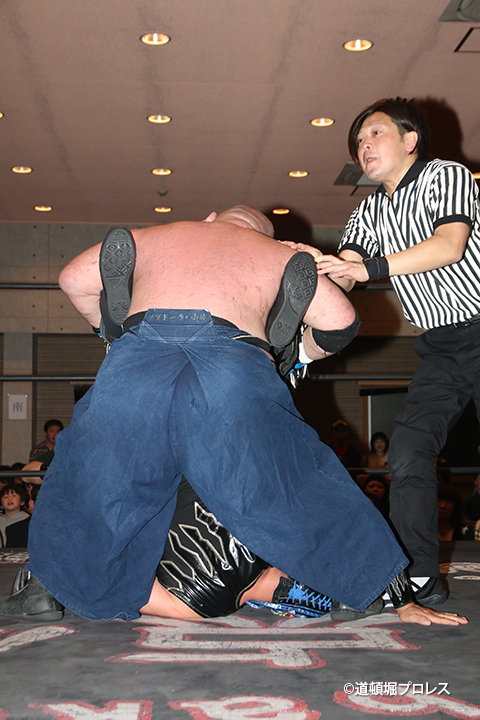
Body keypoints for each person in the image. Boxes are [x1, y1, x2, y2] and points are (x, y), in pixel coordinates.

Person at [0, 206, 466, 628]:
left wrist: (108, 330)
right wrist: (301, 351)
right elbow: (342, 320)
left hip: (140, 355)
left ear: (209, 217)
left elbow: (72, 278)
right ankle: (374, 589)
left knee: (90, 473)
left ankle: (43, 588)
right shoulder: (274, 253)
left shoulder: (158, 233)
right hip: (234, 359)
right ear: (267, 237)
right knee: (292, 479)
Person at [309, 97, 480, 607]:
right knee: (407, 452)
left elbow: (449, 246)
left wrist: (370, 269)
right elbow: (349, 270)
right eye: (359, 141)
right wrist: (310, 273)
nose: (364, 146)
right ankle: (422, 574)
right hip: (440, 347)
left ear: (410, 140)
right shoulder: (368, 210)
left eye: (375, 134)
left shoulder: (445, 175)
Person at [0, 483, 31, 547]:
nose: (9, 498)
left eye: (14, 495)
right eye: (5, 497)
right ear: (1, 505)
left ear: (22, 502)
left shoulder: (27, 520)